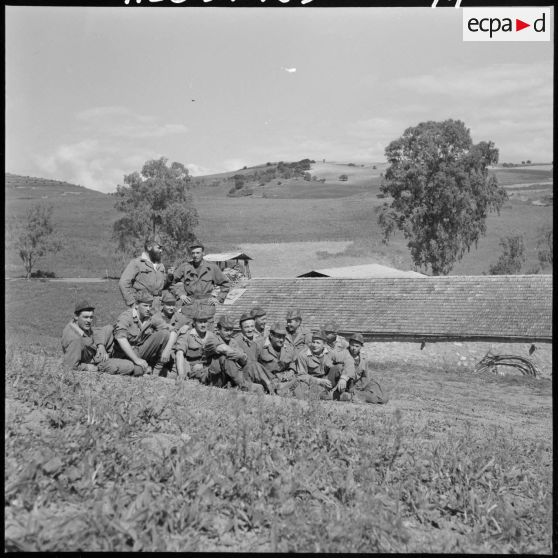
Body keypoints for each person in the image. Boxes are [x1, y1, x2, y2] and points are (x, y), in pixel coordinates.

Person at [101, 291, 171, 376]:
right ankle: (141, 368)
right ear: (137, 305)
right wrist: (137, 360)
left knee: (165, 334)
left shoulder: (150, 317)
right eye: (145, 306)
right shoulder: (126, 317)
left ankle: (156, 372)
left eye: (150, 306)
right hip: (124, 354)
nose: (148, 309)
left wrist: (167, 350)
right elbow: (120, 338)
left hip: (140, 352)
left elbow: (172, 331)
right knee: (138, 370)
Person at [169, 243, 230, 326]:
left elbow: (225, 283)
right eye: (193, 253)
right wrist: (180, 294)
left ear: (203, 253)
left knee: (207, 334)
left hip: (206, 307)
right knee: (187, 332)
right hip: (189, 306)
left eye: (197, 253)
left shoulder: (212, 267)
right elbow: (170, 282)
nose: (195, 255)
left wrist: (219, 298)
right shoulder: (185, 267)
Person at [206, 315, 265, 392]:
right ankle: (243, 385)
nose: (229, 333)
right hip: (214, 377)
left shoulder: (233, 341)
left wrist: (241, 356)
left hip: (229, 378)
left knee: (252, 364)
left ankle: (269, 385)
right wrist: (239, 354)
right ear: (218, 329)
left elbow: (244, 360)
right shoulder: (212, 338)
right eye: (226, 330)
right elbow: (224, 349)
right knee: (225, 358)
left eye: (231, 330)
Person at [291, 330, 355, 400]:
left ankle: (342, 391)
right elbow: (301, 375)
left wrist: (344, 378)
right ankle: (335, 395)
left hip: (327, 381)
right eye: (313, 342)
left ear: (324, 345)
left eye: (318, 343)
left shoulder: (330, 352)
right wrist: (318, 381)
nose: (314, 345)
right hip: (312, 382)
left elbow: (349, 359)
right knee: (302, 394)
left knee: (339, 367)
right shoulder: (303, 355)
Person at [60, 299, 112, 372]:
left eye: (91, 317)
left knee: (109, 328)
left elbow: (94, 332)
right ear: (76, 316)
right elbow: (69, 365)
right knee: (129, 366)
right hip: (94, 360)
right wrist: (87, 367)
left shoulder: (80, 325)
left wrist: (101, 345)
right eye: (86, 317)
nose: (89, 320)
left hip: (97, 350)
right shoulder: (75, 338)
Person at [149, 290, 191, 377]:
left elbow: (190, 321)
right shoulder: (156, 317)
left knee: (184, 368)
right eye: (168, 305)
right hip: (158, 351)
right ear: (162, 305)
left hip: (173, 351)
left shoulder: (177, 316)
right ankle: (156, 372)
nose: (171, 307)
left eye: (173, 305)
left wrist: (187, 326)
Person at [119, 237, 169, 308]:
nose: (161, 250)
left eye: (162, 248)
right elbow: (123, 283)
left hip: (159, 307)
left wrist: (169, 278)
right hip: (143, 307)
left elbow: (162, 286)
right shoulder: (136, 263)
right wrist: (132, 303)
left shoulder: (160, 265)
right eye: (158, 248)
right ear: (149, 247)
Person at [231, 313, 276, 394]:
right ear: (240, 328)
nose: (250, 329)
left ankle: (273, 383)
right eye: (246, 327)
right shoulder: (235, 341)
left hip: (256, 374)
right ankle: (271, 386)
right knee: (253, 364)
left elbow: (261, 361)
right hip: (242, 376)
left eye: (252, 326)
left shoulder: (256, 342)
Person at [339, 333, 389, 404]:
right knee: (371, 397)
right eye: (352, 345)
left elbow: (365, 377)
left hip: (359, 386)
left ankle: (358, 396)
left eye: (357, 346)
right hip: (345, 386)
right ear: (349, 344)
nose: (354, 348)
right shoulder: (343, 354)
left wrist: (359, 387)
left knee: (384, 398)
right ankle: (352, 396)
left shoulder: (363, 359)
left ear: (361, 346)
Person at [257, 322, 296, 394]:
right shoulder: (260, 346)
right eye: (279, 337)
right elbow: (255, 366)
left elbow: (293, 362)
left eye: (283, 337)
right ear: (271, 335)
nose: (281, 340)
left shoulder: (289, 347)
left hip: (284, 379)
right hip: (267, 380)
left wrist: (291, 371)